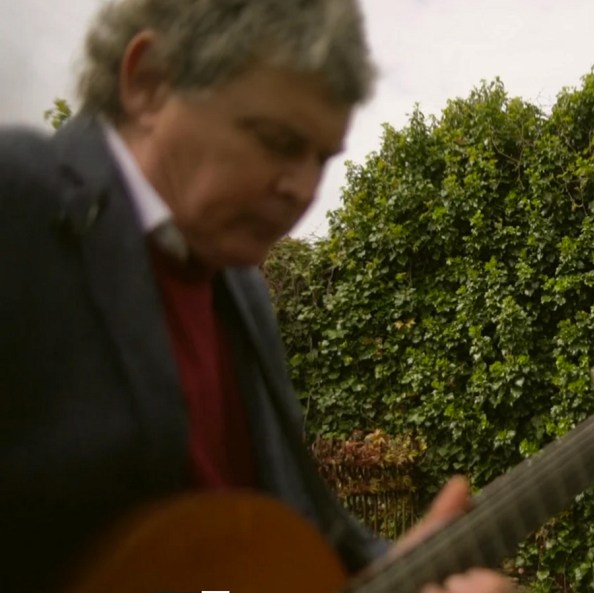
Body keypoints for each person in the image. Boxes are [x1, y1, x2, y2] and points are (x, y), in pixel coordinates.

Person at [0, 1, 527, 591]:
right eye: (278, 142)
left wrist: (398, 569)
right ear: (149, 82)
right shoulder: (20, 203)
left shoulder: (241, 293)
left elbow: (283, 544)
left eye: (322, 159)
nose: (303, 188)